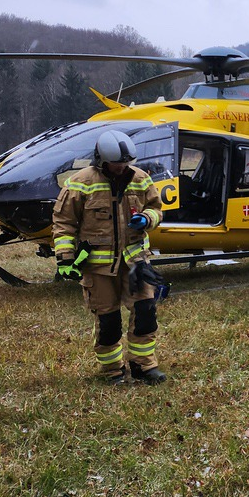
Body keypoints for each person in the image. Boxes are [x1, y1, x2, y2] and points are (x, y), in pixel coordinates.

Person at [51, 130, 166, 385]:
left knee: (145, 313)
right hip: (98, 266)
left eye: (126, 162)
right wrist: (65, 258)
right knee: (108, 321)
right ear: (101, 160)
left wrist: (147, 218)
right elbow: (63, 222)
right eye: (116, 163)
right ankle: (113, 370)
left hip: (136, 261)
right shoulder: (80, 183)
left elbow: (156, 209)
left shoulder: (140, 178)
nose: (122, 167)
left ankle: (144, 366)